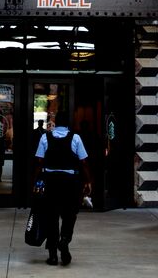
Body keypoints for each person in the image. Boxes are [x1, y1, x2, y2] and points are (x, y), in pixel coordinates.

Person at [33, 112, 92, 267]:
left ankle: (52, 256)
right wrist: (88, 181)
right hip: (70, 182)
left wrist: (36, 180)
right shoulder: (76, 138)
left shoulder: (45, 137)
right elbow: (84, 161)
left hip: (51, 182)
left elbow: (39, 161)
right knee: (70, 214)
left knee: (51, 217)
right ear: (68, 124)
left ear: (55, 122)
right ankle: (64, 240)